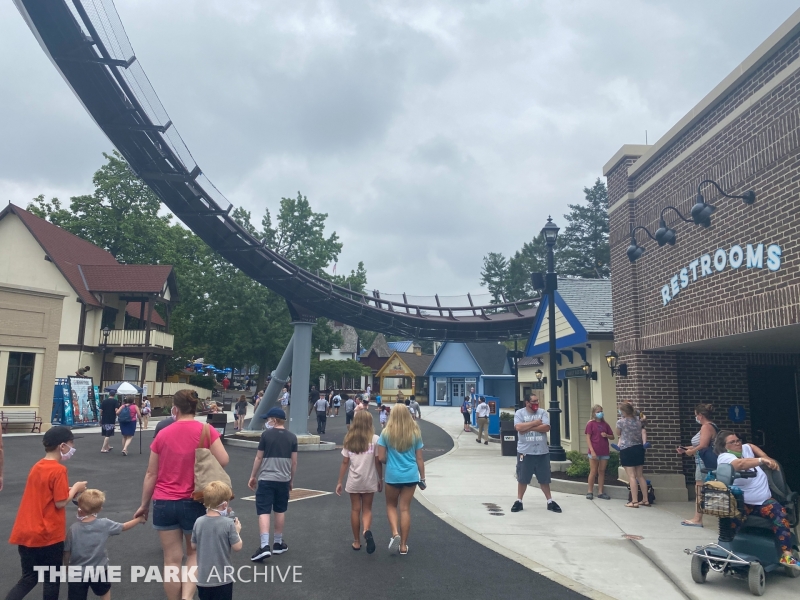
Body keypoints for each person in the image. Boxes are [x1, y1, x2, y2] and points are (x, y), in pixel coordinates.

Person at [134, 390, 229, 600]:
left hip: (164, 501)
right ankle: (187, 597)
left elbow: (151, 473)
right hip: (194, 500)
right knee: (193, 554)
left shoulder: (163, 433)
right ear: (196, 408)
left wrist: (144, 504)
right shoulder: (206, 430)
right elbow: (223, 460)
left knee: (171, 559)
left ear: (174, 409)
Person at [7, 426, 87, 600]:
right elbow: (60, 502)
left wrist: (67, 489)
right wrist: (76, 488)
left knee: (28, 578)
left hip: (26, 530)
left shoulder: (37, 466)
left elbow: (45, 492)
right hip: (47, 534)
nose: (72, 447)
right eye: (71, 443)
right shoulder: (59, 470)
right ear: (62, 446)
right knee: (52, 579)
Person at [715, 431, 799, 569]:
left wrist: (766, 457)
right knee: (731, 520)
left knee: (780, 513)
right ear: (724, 446)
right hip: (743, 502)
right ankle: (728, 551)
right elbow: (740, 464)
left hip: (764, 502)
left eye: (738, 440)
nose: (737, 443)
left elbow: (751, 446)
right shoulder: (725, 457)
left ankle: (787, 556)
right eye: (732, 442)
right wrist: (761, 461)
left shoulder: (745, 449)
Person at [64, 489, 145, 600]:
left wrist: (66, 566)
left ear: (80, 509)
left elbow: (67, 551)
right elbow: (124, 526)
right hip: (100, 569)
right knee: (104, 591)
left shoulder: (73, 529)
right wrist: (139, 519)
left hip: (77, 572)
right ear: (100, 509)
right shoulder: (104, 524)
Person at [248, 408, 298, 561]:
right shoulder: (292, 437)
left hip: (266, 478)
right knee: (280, 510)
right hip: (283, 479)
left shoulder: (266, 435)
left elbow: (258, 458)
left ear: (274, 420)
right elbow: (294, 462)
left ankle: (264, 546)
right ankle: (278, 543)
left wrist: (253, 476)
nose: (267, 422)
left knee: (264, 510)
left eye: (268, 419)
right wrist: (291, 480)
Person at [376, 404, 424, 556]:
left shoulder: (386, 433)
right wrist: (422, 477)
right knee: (405, 508)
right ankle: (403, 545)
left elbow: (381, 457)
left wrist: (390, 461)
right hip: (411, 475)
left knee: (391, 505)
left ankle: (395, 533)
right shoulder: (415, 432)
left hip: (393, 475)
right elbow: (419, 458)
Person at [336, 411, 383, 553]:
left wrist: (339, 481)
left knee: (355, 509)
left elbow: (345, 462)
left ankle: (356, 541)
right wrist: (380, 478)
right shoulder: (375, 439)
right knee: (367, 509)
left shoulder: (349, 439)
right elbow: (378, 461)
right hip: (369, 479)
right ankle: (366, 531)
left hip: (354, 480)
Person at [191, 481, 243, 599]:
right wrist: (237, 531)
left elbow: (193, 546)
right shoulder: (228, 523)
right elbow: (237, 546)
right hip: (222, 578)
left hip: (203, 578)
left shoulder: (198, 521)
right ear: (224, 505)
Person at [511, 394, 562, 514]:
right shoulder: (519, 413)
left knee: (544, 478)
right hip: (525, 452)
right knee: (523, 477)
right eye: (533, 401)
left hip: (542, 452)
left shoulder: (542, 412)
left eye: (537, 401)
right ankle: (519, 501)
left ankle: (550, 501)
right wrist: (535, 423)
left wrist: (528, 428)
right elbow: (518, 427)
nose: (536, 403)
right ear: (527, 403)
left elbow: (546, 428)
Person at [677, 403, 719, 527]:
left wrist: (691, 452)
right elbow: (700, 444)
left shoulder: (706, 427)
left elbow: (703, 445)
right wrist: (686, 449)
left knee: (699, 490)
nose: (696, 417)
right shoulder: (712, 426)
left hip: (703, 462)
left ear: (700, 415)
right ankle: (697, 517)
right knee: (700, 489)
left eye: (696, 415)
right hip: (703, 460)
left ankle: (697, 518)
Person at [616, 402, 649, 508]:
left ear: (624, 412)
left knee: (631, 476)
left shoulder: (620, 422)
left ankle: (634, 501)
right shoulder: (638, 421)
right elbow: (643, 427)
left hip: (627, 449)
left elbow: (618, 433)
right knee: (640, 475)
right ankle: (645, 499)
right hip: (639, 448)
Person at [585, 405, 614, 500]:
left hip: (604, 451)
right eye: (598, 412)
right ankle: (590, 491)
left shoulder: (605, 424)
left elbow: (612, 436)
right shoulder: (590, 424)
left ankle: (600, 492)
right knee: (593, 471)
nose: (600, 413)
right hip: (594, 450)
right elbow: (588, 438)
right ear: (594, 413)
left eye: (601, 411)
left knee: (601, 471)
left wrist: (606, 435)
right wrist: (592, 451)